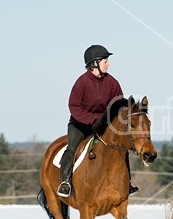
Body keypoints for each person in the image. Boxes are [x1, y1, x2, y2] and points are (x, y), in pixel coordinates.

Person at [56, 45, 139, 198]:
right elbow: (74, 107)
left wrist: (111, 122)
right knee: (72, 147)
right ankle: (65, 182)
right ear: (95, 63)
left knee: (121, 147)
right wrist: (91, 120)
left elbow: (118, 105)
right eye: (105, 61)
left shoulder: (112, 83)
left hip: (102, 126)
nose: (108, 64)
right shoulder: (81, 83)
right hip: (79, 125)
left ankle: (126, 182)